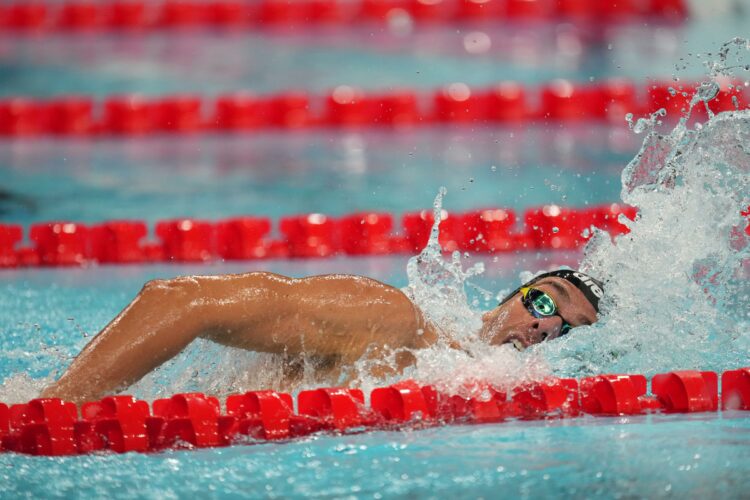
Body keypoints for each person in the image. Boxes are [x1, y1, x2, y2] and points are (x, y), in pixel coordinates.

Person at [41, 268, 603, 404]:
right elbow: (176, 301)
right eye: (543, 301)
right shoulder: (395, 322)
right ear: (513, 294)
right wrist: (51, 412)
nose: (542, 325)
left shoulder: (456, 379)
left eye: (564, 331)